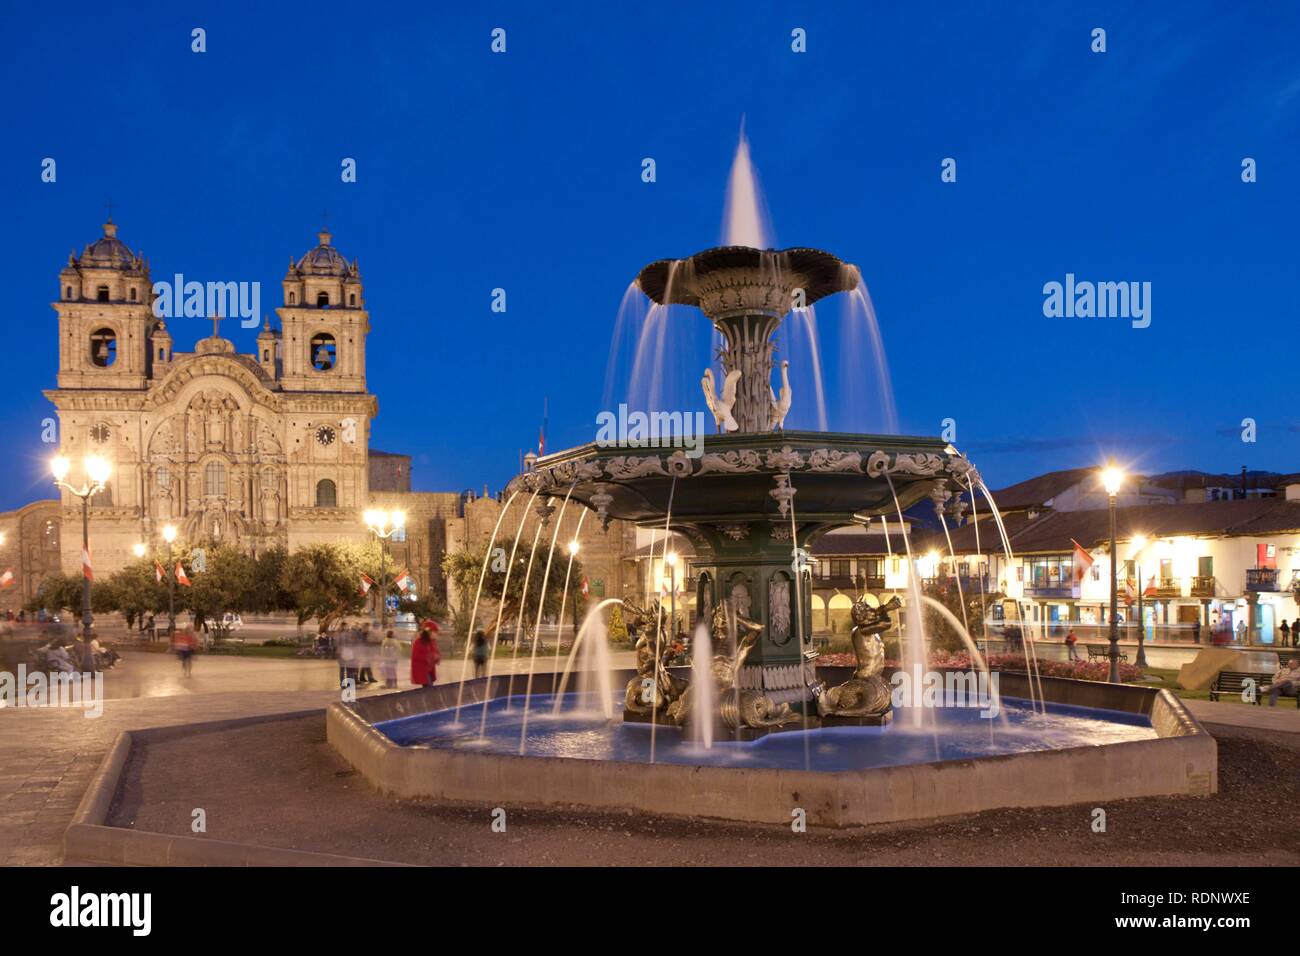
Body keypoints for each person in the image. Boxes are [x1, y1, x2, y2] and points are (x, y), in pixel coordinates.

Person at [410, 623, 441, 688]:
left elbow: (436, 652)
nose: (436, 634)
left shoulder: (432, 642)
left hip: (429, 670)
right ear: (429, 632)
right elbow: (415, 656)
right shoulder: (419, 642)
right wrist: (430, 657)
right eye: (435, 632)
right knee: (429, 688)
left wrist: (437, 658)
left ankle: (426, 698)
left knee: (428, 688)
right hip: (423, 670)